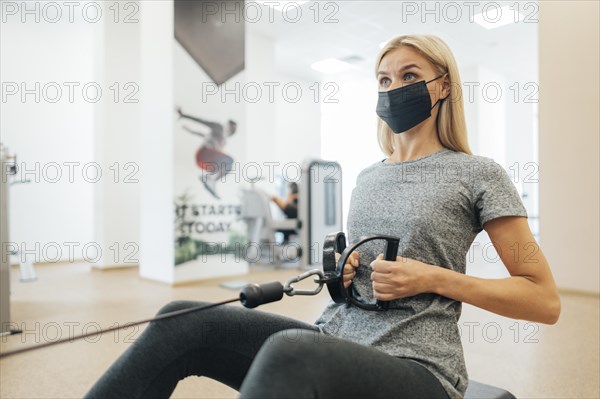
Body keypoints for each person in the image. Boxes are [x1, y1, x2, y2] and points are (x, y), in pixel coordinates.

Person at [85, 35, 560, 399]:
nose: (394, 88)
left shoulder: (477, 173)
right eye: (384, 80)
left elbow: (543, 300)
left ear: (444, 86)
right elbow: (357, 280)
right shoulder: (369, 176)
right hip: (335, 336)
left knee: (291, 351)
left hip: (419, 365)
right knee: (181, 319)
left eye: (410, 76)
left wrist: (434, 278)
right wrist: (343, 273)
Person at [177, 107, 238, 200]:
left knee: (225, 167)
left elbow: (202, 135)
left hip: (204, 162)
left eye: (233, 130)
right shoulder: (219, 127)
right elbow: (202, 121)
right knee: (229, 160)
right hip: (204, 153)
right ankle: (210, 178)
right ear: (227, 125)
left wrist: (190, 131)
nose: (231, 131)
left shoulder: (223, 141)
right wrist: (184, 115)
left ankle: (210, 181)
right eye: (231, 128)